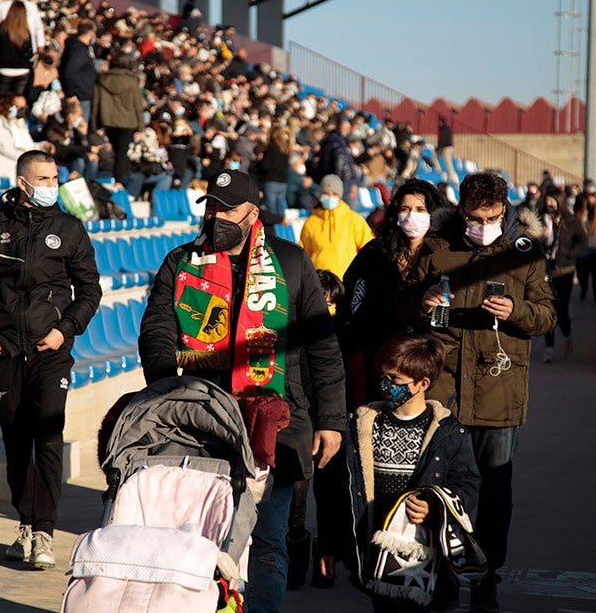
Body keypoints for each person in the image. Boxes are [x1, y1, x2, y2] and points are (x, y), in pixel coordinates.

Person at [138, 169, 347, 613]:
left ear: (253, 213)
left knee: (269, 540)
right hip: (202, 417)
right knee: (201, 537)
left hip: (279, 419)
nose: (215, 216)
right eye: (210, 206)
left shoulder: (291, 262)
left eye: (225, 208)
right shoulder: (180, 262)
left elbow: (322, 347)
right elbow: (156, 330)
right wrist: (166, 386)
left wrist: (331, 420)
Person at [397, 171, 556, 611]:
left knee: (494, 493)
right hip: (444, 391)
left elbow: (547, 318)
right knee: (440, 487)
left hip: (499, 393)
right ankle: (444, 574)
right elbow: (402, 306)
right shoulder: (438, 249)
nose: (481, 225)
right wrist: (421, 303)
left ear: (504, 210)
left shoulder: (525, 253)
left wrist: (517, 309)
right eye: (473, 217)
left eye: (490, 217)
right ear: (461, 211)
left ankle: (487, 576)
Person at [0, 150, 102, 570]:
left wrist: (65, 330)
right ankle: (24, 523)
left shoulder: (69, 228)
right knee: (15, 440)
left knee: (47, 433)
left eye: (54, 178)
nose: (50, 186)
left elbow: (90, 290)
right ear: (22, 183)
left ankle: (44, 530)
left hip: (51, 352)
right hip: (3, 350)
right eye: (42, 179)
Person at [318, 333, 480, 612]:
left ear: (422, 384)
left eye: (395, 380)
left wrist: (435, 506)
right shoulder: (362, 426)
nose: (385, 386)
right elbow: (335, 492)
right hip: (375, 556)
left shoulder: (449, 433)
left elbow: (468, 485)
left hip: (426, 559)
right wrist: (327, 546)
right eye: (383, 376)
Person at [342, 180, 446, 406]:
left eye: (420, 210)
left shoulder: (445, 255)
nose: (412, 216)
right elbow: (352, 299)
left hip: (426, 360)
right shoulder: (375, 252)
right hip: (380, 357)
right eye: (405, 209)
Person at [538, 187, 586, 363]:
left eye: (552, 200)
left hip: (565, 270)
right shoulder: (540, 218)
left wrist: (569, 253)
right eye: (547, 200)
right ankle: (549, 348)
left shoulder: (570, 220)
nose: (549, 204)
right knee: (547, 308)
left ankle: (567, 336)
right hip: (545, 270)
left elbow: (583, 241)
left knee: (562, 309)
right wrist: (538, 238)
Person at [299, 173, 374, 278]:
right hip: (320, 282)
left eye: (334, 194)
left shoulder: (354, 220)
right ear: (320, 194)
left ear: (340, 195)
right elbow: (304, 256)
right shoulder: (310, 223)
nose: (330, 197)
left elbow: (369, 249)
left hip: (348, 280)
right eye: (326, 193)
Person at [91, 52, 143, 189]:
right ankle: (118, 182)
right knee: (121, 154)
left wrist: (94, 125)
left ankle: (103, 182)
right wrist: (141, 128)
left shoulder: (102, 80)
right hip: (127, 123)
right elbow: (138, 106)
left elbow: (95, 104)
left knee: (108, 153)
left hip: (107, 121)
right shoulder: (132, 82)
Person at [0, 93, 53, 181]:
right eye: (15, 106)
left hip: (12, 171)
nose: (17, 110)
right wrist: (33, 159)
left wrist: (43, 146)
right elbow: (8, 149)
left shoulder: (13, 122)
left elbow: (27, 146)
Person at [0, 0, 35, 96]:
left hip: (3, 70)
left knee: (0, 103)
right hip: (23, 70)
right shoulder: (25, 32)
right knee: (18, 102)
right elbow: (28, 54)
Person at [59, 18, 96, 123]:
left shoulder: (83, 48)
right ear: (90, 32)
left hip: (83, 94)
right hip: (79, 96)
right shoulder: (78, 50)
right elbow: (69, 72)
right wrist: (71, 94)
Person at [254, 127, 291, 217]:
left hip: (271, 180)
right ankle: (281, 229)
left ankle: (273, 229)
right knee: (281, 207)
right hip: (282, 182)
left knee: (272, 210)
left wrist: (259, 162)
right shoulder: (285, 149)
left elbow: (265, 165)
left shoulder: (271, 148)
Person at [435, 117, 457, 186]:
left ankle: (452, 178)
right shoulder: (447, 129)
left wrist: (439, 147)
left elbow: (442, 140)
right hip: (448, 147)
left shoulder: (444, 129)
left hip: (446, 148)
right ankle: (438, 170)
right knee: (435, 156)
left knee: (448, 163)